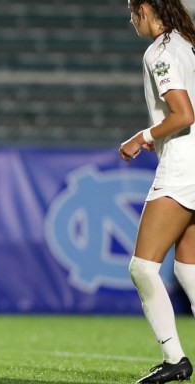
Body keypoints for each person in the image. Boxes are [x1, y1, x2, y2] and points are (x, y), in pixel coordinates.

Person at [119, 1, 195, 383]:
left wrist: (143, 137)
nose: (131, 18)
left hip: (184, 167)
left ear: (147, 8)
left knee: (143, 268)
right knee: (188, 268)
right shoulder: (188, 42)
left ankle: (174, 360)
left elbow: (183, 114)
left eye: (133, 10)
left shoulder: (162, 50)